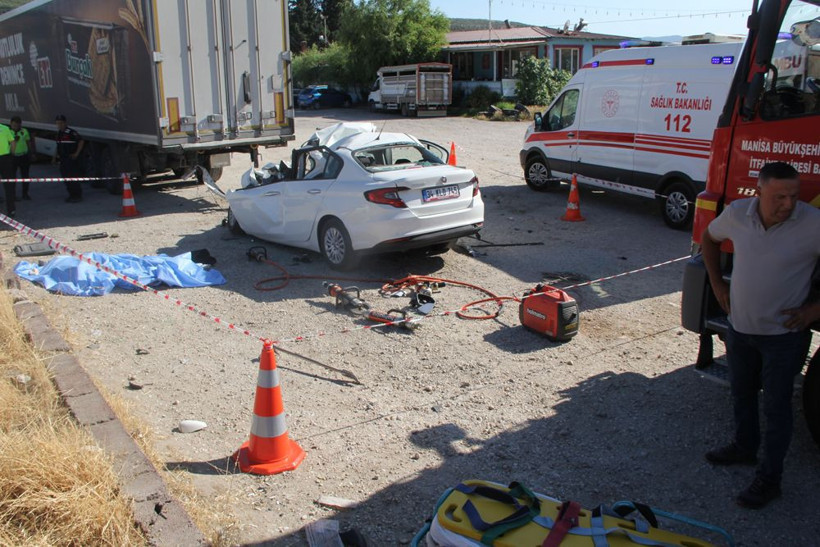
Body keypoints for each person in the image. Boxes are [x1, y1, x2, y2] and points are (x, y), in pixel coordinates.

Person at [701, 161, 820, 509]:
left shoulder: (813, 224)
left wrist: (814, 311)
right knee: (741, 394)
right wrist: (716, 283)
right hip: (740, 329)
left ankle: (770, 480)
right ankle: (744, 447)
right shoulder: (738, 214)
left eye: (794, 196)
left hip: (783, 337)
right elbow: (709, 238)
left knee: (777, 408)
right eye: (779, 197)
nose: (788, 204)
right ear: (759, 191)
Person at [52, 114, 84, 203]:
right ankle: (71, 194)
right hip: (63, 159)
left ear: (65, 123)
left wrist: (76, 153)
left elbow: (81, 141)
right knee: (65, 178)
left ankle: (77, 195)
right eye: (57, 123)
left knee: (73, 177)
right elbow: (58, 146)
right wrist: (54, 158)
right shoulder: (59, 134)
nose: (59, 125)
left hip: (70, 159)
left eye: (61, 123)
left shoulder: (71, 132)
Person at [10, 116, 35, 200]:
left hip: (24, 156)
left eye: (17, 125)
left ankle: (25, 194)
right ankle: (12, 195)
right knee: (12, 177)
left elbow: (28, 142)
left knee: (25, 176)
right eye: (14, 125)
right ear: (11, 124)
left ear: (20, 124)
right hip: (13, 157)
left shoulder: (24, 131)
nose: (16, 127)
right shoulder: (8, 132)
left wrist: (31, 153)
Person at [0, 120, 16, 216]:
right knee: (8, 185)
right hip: (5, 159)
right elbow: (13, 142)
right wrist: (12, 154)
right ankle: (11, 210)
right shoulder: (5, 128)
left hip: (5, 159)